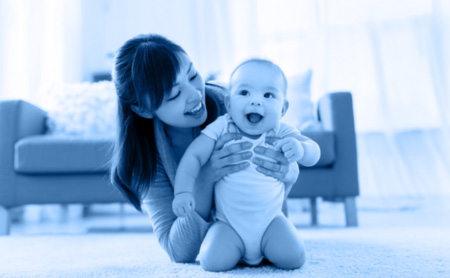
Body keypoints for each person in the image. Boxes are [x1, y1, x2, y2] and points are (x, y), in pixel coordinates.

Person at [110, 34, 301, 264]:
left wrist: (287, 171)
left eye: (192, 75)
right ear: (144, 109)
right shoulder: (147, 157)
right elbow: (179, 251)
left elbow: (282, 178)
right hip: (222, 244)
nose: (194, 94)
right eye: (175, 94)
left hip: (264, 229)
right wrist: (205, 177)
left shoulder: (234, 108)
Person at [172, 58, 321, 271]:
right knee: (211, 262)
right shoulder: (222, 127)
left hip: (271, 222)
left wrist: (301, 149)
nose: (256, 101)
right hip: (228, 225)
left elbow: (314, 151)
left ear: (283, 108)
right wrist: (183, 192)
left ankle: (267, 248)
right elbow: (193, 156)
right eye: (244, 93)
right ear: (229, 104)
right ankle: (237, 250)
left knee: (295, 258)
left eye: (268, 95)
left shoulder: (281, 130)